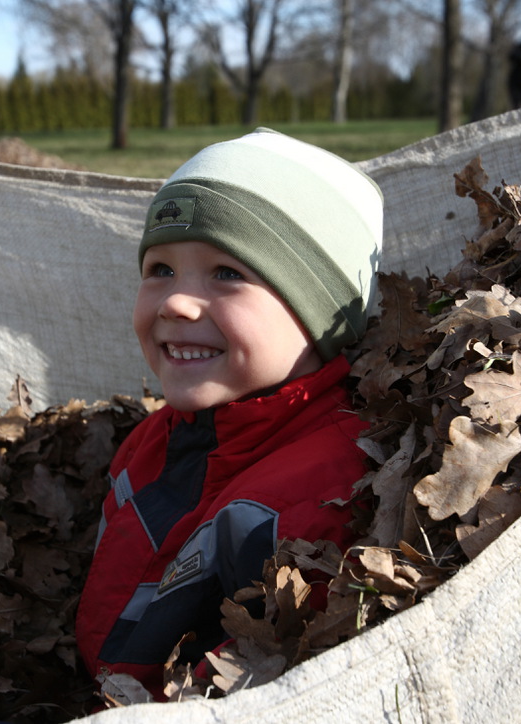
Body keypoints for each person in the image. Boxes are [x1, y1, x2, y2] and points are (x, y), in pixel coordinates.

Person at [74, 128, 383, 699]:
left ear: (317, 316)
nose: (175, 301)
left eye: (227, 273)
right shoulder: (155, 440)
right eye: (160, 269)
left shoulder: (318, 502)